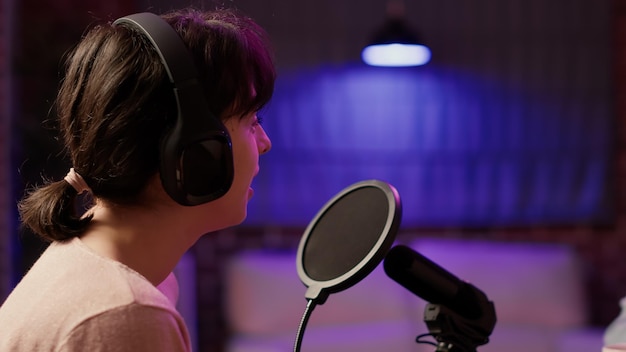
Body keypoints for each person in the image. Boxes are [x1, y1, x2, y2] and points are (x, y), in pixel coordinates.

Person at [0, 6, 275, 351]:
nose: (265, 143)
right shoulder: (124, 314)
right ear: (194, 150)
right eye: (250, 121)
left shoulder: (97, 263)